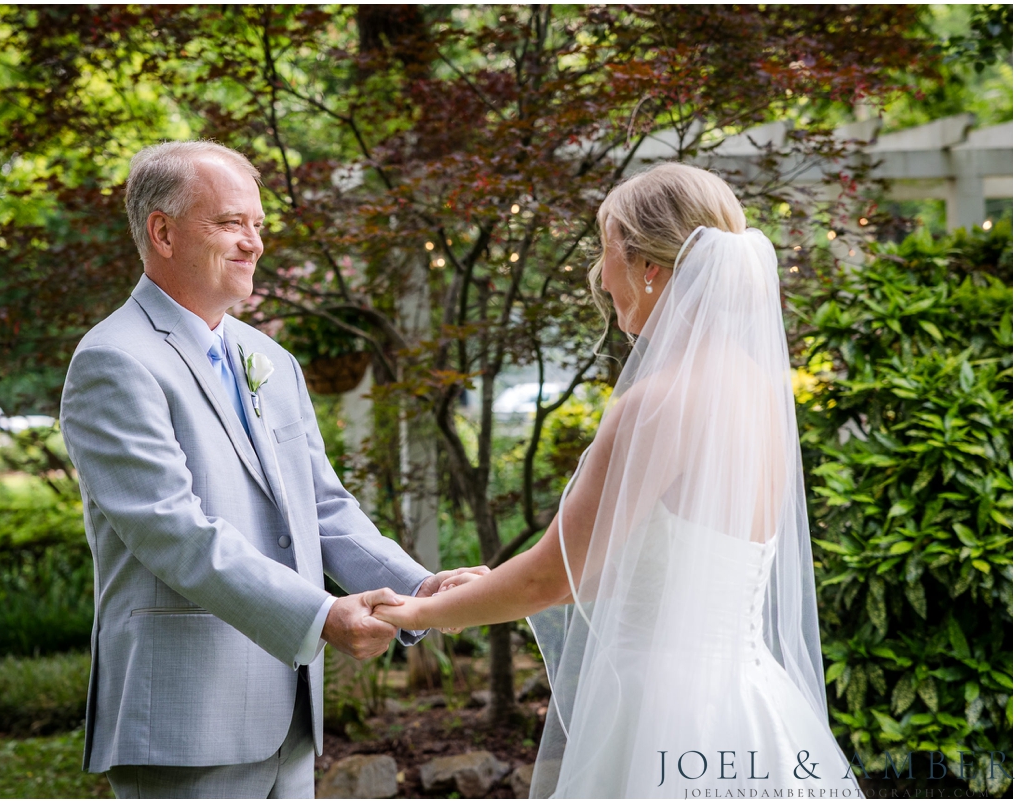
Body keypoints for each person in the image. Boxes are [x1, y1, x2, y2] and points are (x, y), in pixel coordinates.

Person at [373, 163, 861, 798]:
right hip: (751, 708)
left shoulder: (660, 400)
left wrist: (423, 610)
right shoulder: (755, 388)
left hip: (665, 717)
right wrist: (491, 583)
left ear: (649, 268)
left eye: (606, 253)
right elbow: (641, 567)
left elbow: (553, 575)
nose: (601, 278)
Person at [59, 140, 486, 799]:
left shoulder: (269, 358)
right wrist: (320, 616)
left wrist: (422, 590)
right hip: (186, 718)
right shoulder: (114, 360)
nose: (253, 243)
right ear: (162, 231)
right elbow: (175, 532)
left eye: (258, 225)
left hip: (290, 719)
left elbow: (321, 505)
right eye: (231, 222)